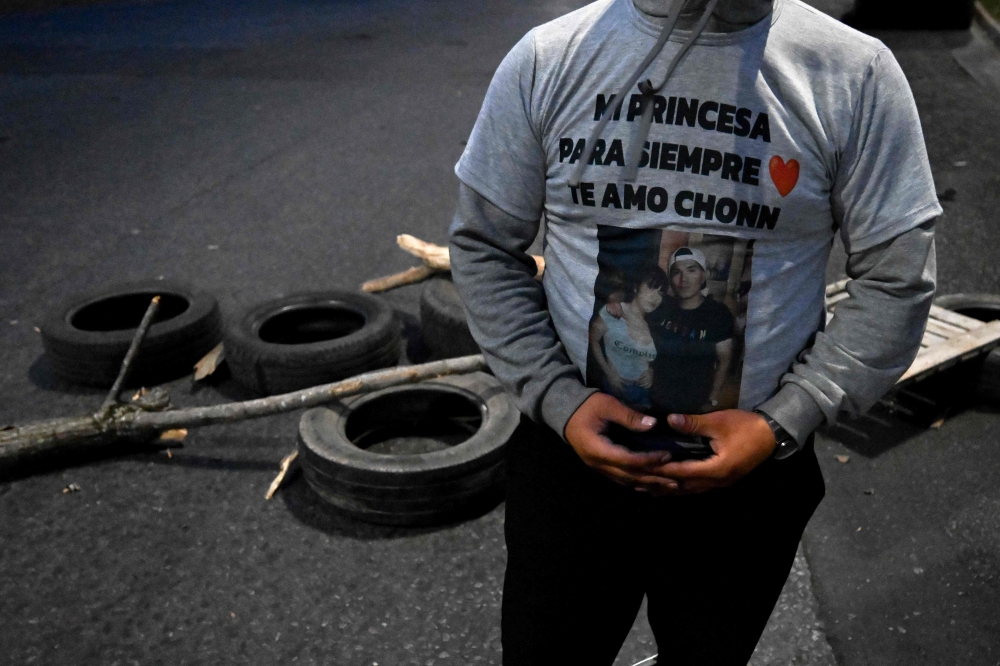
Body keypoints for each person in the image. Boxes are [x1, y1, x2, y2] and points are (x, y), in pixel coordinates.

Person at [447, 0, 941, 662]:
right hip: (570, 472)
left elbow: (897, 278)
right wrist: (557, 399)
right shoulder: (548, 61)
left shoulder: (854, 75)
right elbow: (483, 246)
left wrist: (786, 419)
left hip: (751, 487)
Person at [649, 246, 734, 414]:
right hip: (656, 396)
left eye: (691, 270)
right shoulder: (662, 306)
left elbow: (724, 361)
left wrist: (713, 398)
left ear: (704, 276)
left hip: (696, 402)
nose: (683, 280)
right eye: (676, 272)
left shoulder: (718, 313)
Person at [588, 267, 668, 408]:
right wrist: (608, 372)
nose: (655, 297)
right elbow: (592, 339)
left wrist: (651, 371)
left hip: (643, 394)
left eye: (660, 293)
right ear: (636, 287)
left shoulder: (655, 325)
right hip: (613, 389)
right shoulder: (614, 310)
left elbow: (655, 359)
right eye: (651, 287)